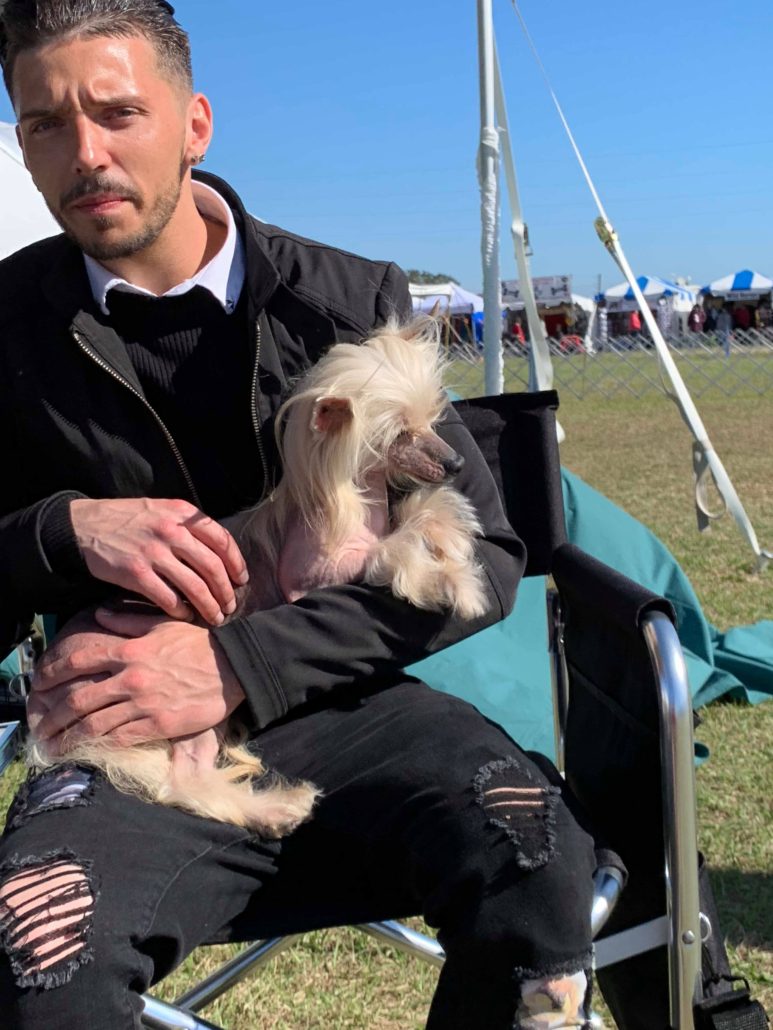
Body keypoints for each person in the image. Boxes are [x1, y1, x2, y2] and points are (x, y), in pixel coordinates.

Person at [0, 3, 599, 1027]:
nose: (86, 153)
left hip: (349, 707)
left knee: (534, 857)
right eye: (47, 124)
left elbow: (488, 551)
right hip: (125, 737)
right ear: (22, 145)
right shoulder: (7, 325)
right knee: (42, 951)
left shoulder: (348, 299)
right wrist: (63, 529)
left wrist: (239, 663)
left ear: (194, 124)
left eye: (118, 112)